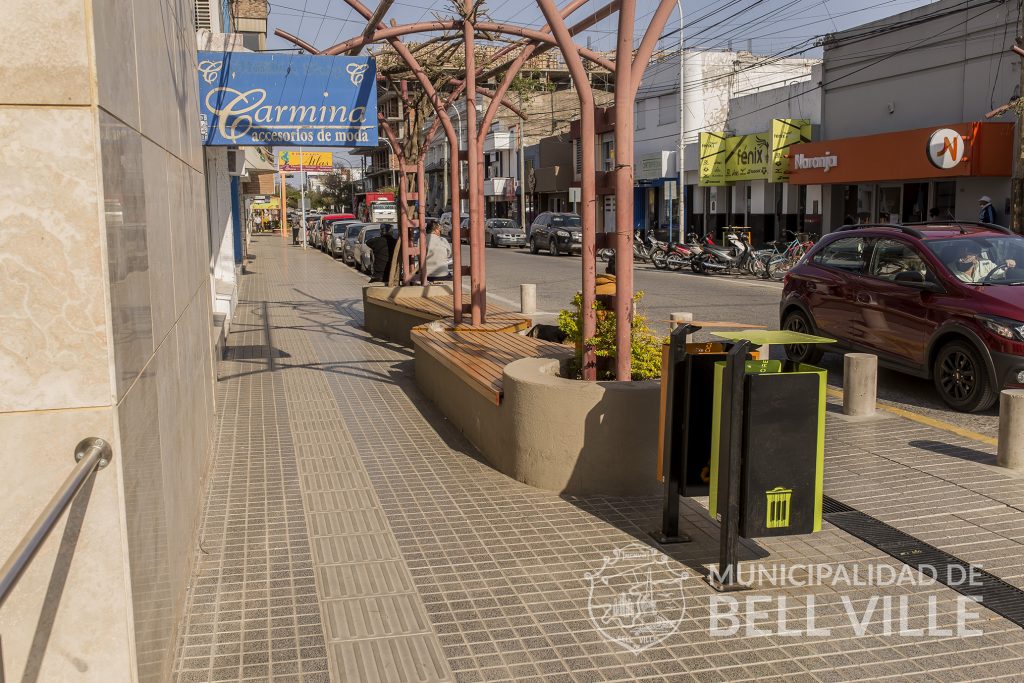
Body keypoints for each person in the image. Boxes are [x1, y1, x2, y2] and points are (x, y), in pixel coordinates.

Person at [949, 243, 1016, 283]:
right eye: (962, 252)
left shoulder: (986, 264)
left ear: (976, 256)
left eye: (969, 253)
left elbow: (1002, 274)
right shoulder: (948, 269)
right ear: (957, 253)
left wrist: (1010, 265)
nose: (966, 255)